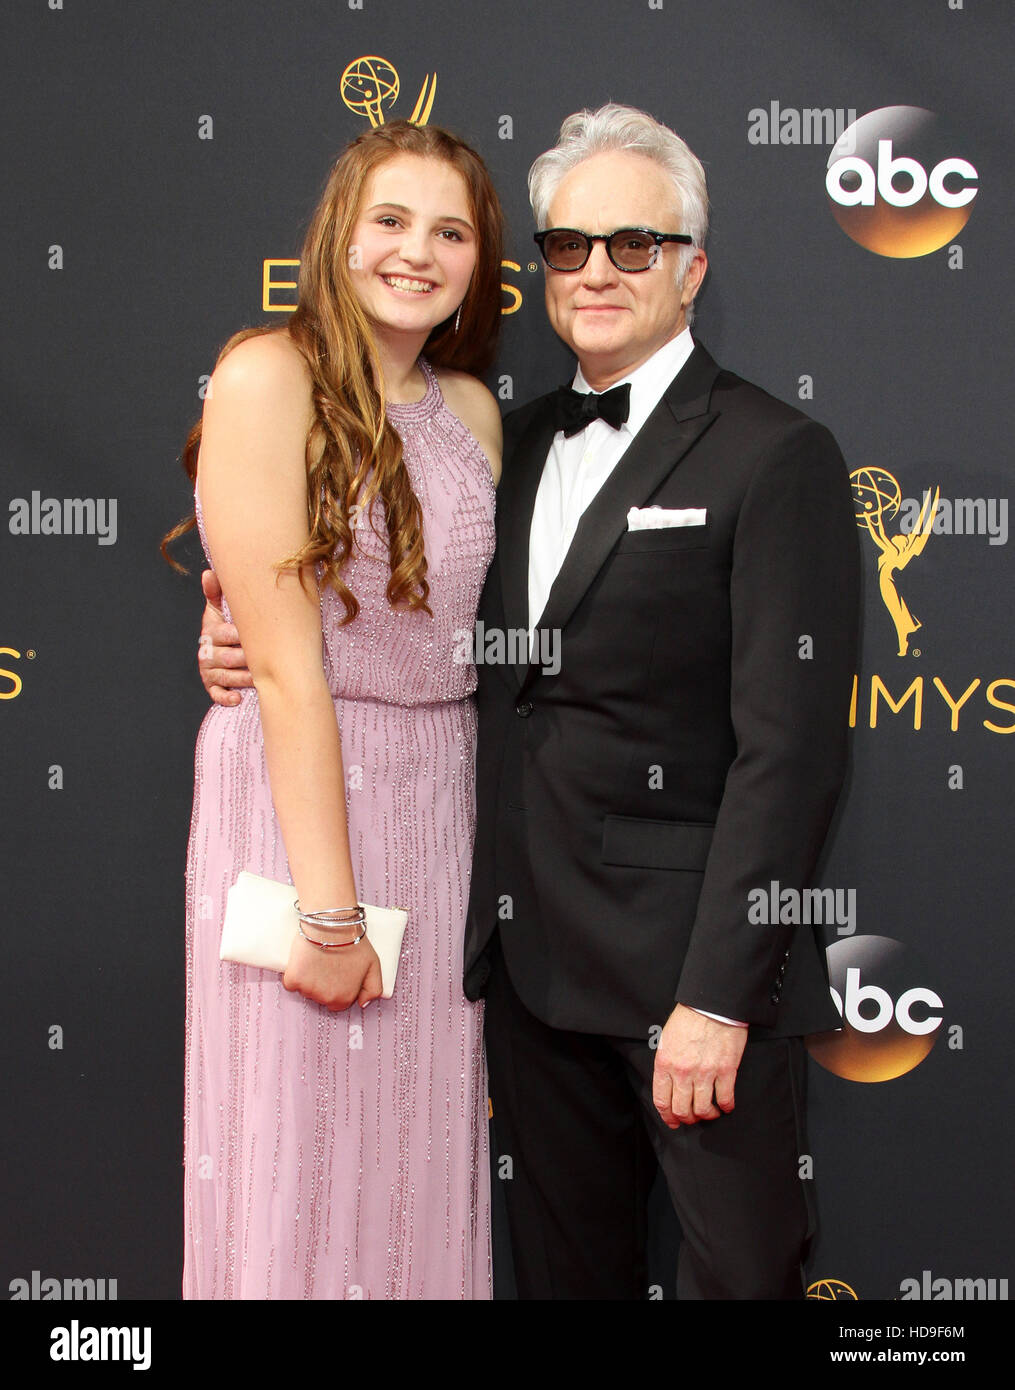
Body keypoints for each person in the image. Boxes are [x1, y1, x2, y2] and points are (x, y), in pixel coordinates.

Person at [199, 103, 861, 1301]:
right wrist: (233, 616)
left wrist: (717, 994)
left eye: (634, 245)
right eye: (568, 246)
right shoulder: (506, 430)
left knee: (742, 1278)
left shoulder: (775, 453)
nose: (597, 271)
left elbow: (794, 753)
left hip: (687, 979)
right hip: (514, 958)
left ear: (691, 266)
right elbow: (371, 590)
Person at [163, 119, 504, 1299]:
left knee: (413, 1150)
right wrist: (326, 911)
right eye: (392, 222)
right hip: (302, 801)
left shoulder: (473, 412)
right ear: (338, 239)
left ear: (480, 259)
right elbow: (293, 670)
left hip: (439, 795)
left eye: (450, 230)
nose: (419, 252)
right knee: (298, 1144)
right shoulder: (269, 373)